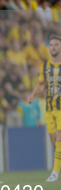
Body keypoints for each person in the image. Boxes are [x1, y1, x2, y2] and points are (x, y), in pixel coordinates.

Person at [28, 35, 61, 182]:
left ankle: (54, 173)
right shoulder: (45, 66)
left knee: (60, 138)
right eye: (51, 45)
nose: (53, 47)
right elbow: (41, 83)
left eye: (56, 45)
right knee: (54, 142)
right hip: (49, 109)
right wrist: (33, 94)